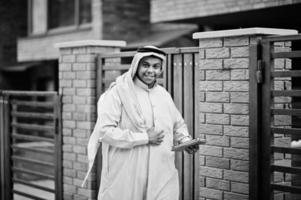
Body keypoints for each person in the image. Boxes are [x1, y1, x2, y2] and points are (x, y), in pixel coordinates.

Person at [82, 45, 199, 200]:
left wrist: (186, 141)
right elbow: (105, 132)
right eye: (146, 65)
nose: (151, 71)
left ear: (161, 69)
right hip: (127, 172)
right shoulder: (118, 92)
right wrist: (144, 137)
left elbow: (178, 124)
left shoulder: (163, 95)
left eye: (156, 66)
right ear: (136, 65)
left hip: (162, 171)